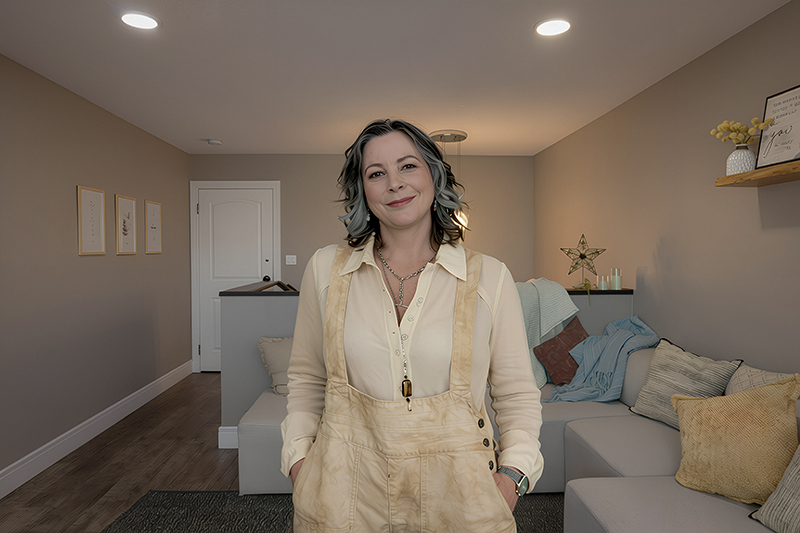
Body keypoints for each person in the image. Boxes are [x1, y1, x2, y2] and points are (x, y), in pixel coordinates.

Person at [280, 118, 544, 532]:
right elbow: (307, 378)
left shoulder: (490, 277)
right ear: (362, 190)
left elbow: (516, 394)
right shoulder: (324, 270)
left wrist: (513, 476)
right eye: (376, 173)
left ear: (433, 175)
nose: (394, 183)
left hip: (462, 499)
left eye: (408, 166)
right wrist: (299, 462)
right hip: (342, 497)